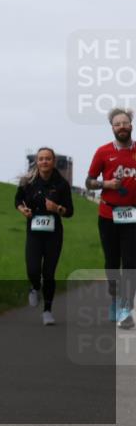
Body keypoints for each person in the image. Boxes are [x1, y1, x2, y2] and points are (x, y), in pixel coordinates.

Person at [86, 108, 136, 330]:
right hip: (108, 215)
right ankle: (115, 298)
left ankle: (126, 309)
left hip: (133, 215)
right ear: (112, 128)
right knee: (112, 263)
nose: (122, 127)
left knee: (132, 263)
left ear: (131, 125)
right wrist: (105, 184)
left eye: (125, 123)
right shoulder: (103, 152)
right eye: (118, 124)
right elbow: (89, 181)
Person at [15, 147, 73, 325]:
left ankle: (47, 311)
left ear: (54, 161)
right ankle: (34, 287)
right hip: (34, 233)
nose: (44, 162)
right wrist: (22, 210)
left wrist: (57, 209)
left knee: (48, 273)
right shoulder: (28, 182)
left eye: (48, 159)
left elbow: (70, 211)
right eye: (41, 159)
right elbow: (17, 201)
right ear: (37, 162)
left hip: (53, 235)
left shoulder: (61, 184)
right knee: (33, 270)